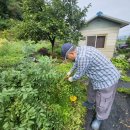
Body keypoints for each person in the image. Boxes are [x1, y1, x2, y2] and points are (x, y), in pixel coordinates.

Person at [61, 43, 120, 130]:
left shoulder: (83, 57)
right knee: (91, 90)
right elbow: (76, 63)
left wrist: (71, 79)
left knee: (103, 100)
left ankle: (100, 118)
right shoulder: (79, 50)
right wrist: (70, 71)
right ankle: (90, 103)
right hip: (96, 76)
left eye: (67, 58)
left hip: (107, 79)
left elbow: (79, 74)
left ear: (71, 54)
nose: (68, 60)